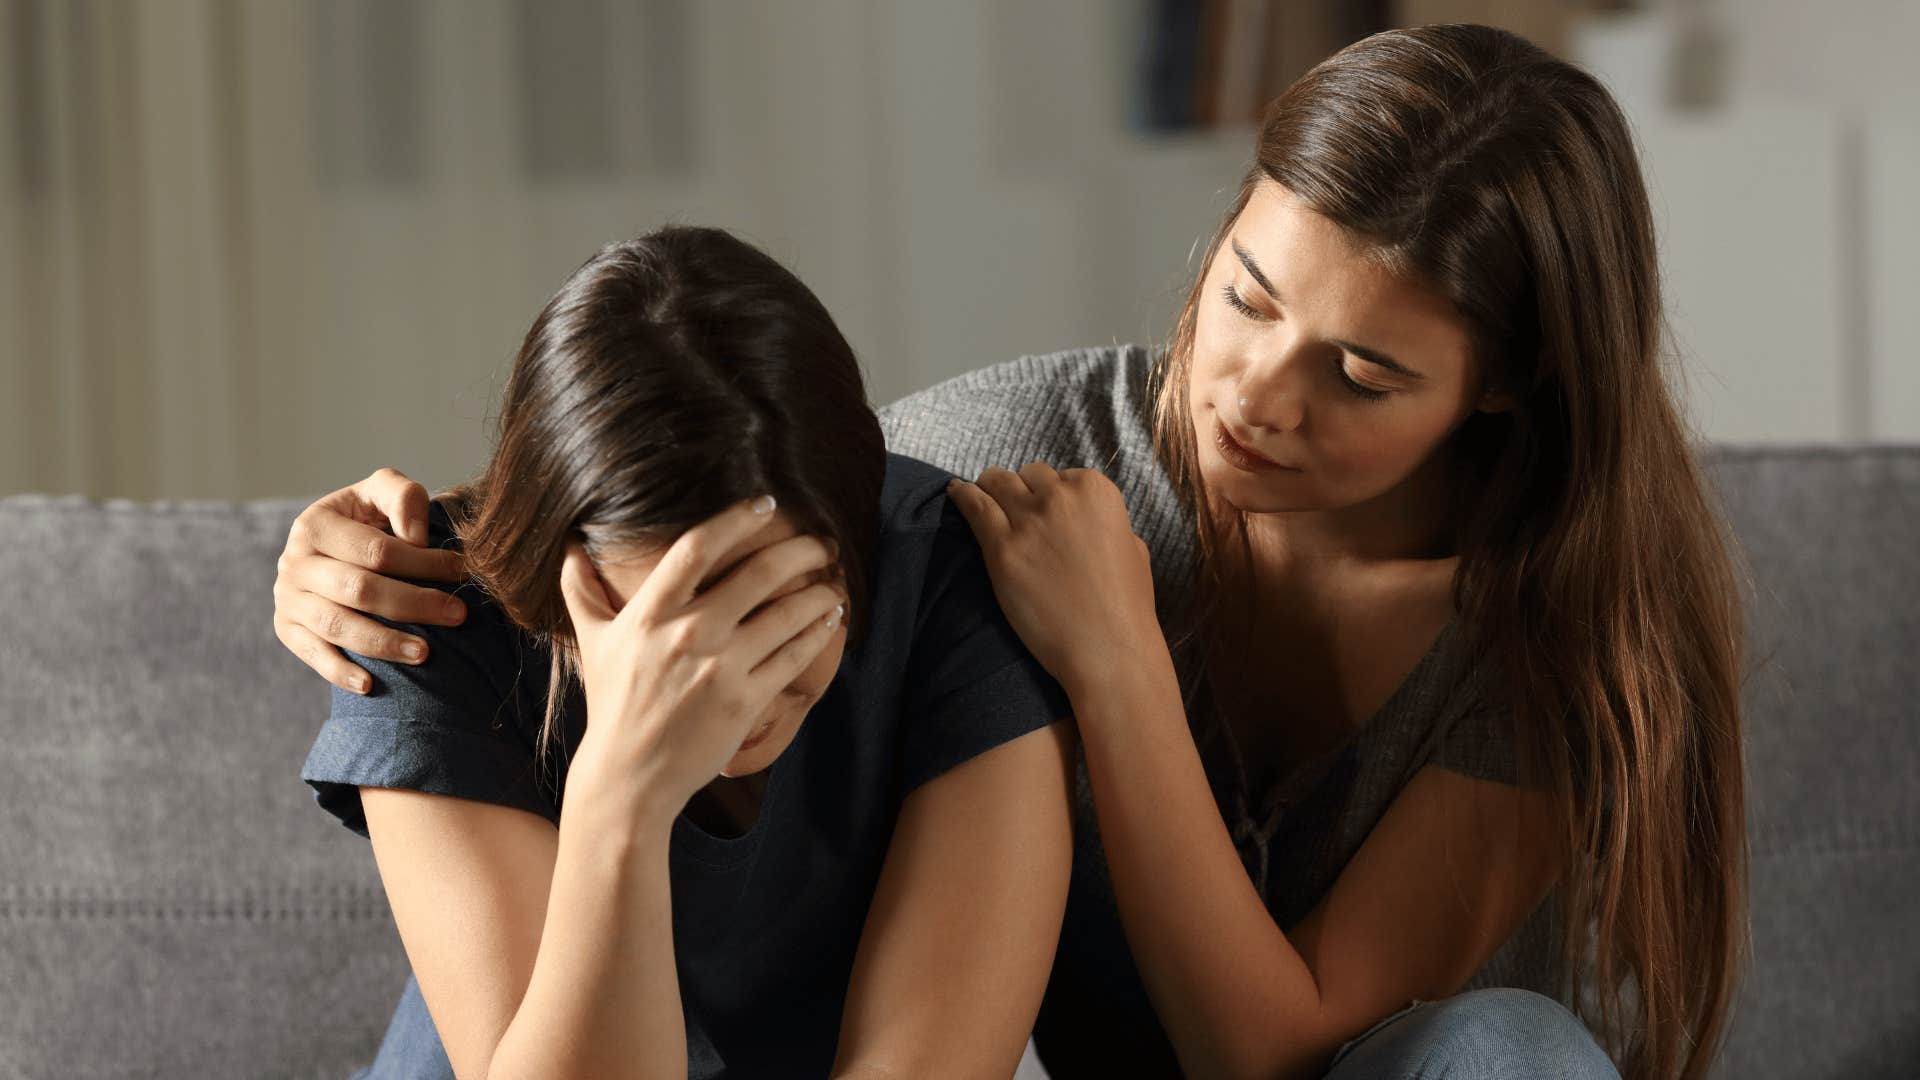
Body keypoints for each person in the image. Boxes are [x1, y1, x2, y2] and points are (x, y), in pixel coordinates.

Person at [277, 24, 1747, 1080]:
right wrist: (368, 563)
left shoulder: (1570, 638)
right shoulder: (994, 464)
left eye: (1360, 377)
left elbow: (1277, 1055)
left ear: (1505, 389)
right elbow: (714, 465)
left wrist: (1113, 665)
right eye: (1244, 295)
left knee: (1512, 1054)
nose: (1252, 393)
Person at [291, 225, 1077, 1079]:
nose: (727, 689)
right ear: (569, 590)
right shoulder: (424, 615)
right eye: (665, 632)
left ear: (857, 551)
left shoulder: (950, 583)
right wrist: (620, 792)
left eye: (774, 616)